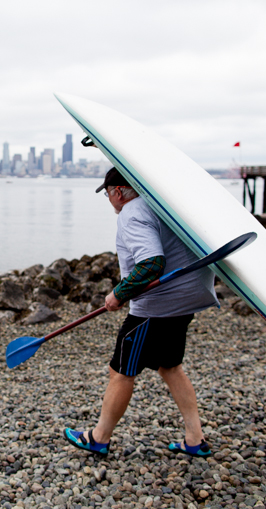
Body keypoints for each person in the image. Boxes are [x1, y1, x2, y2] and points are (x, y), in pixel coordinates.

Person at [64, 167, 218, 457]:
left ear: (119, 192)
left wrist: (118, 294)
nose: (109, 200)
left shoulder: (131, 213)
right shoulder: (159, 205)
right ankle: (195, 439)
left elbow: (150, 264)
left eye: (108, 193)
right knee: (169, 366)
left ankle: (98, 438)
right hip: (187, 299)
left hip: (156, 307)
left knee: (121, 370)